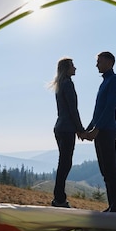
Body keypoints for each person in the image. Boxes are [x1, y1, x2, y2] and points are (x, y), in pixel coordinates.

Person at [82, 51, 116, 213]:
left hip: (107, 130)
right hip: (101, 130)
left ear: (109, 62)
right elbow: (98, 111)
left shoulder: (114, 80)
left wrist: (96, 129)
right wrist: (88, 129)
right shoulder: (105, 82)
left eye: (99, 61)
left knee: (111, 169)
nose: (96, 65)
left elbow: (110, 107)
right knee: (105, 170)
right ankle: (112, 206)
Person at [49, 57, 85, 208]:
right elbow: (73, 109)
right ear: (67, 68)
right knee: (65, 163)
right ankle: (59, 199)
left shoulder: (60, 85)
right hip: (67, 129)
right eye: (72, 66)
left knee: (63, 162)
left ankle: (59, 197)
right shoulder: (68, 84)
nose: (75, 68)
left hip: (60, 127)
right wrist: (80, 129)